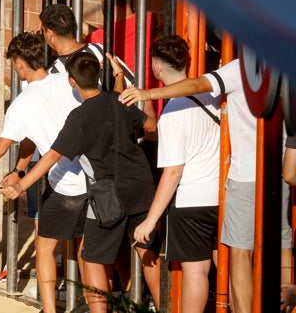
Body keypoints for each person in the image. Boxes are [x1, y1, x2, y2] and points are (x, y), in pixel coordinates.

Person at [0, 31, 124, 313]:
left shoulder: (21, 104)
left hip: (65, 186)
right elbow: (34, 134)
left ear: (18, 64)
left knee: (44, 248)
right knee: (88, 254)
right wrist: (19, 168)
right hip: (97, 180)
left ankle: (50, 310)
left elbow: (1, 146)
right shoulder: (68, 81)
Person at [119, 57, 293, 313]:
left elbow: (196, 85)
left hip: (243, 176)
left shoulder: (239, 69)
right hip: (282, 170)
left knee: (239, 255)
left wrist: (149, 93)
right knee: (282, 248)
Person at [1, 50, 161, 313]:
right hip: (142, 186)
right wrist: (144, 94)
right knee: (147, 251)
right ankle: (160, 305)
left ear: (72, 82)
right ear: (98, 76)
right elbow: (151, 126)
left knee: (92, 259)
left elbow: (52, 155)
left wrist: (21, 184)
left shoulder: (80, 117)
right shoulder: (118, 101)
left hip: (110, 194)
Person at [132, 35, 221, 313]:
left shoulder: (170, 114)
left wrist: (149, 221)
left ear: (157, 68)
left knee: (197, 271)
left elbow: (172, 173)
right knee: (227, 263)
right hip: (221, 194)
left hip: (191, 200)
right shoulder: (212, 98)